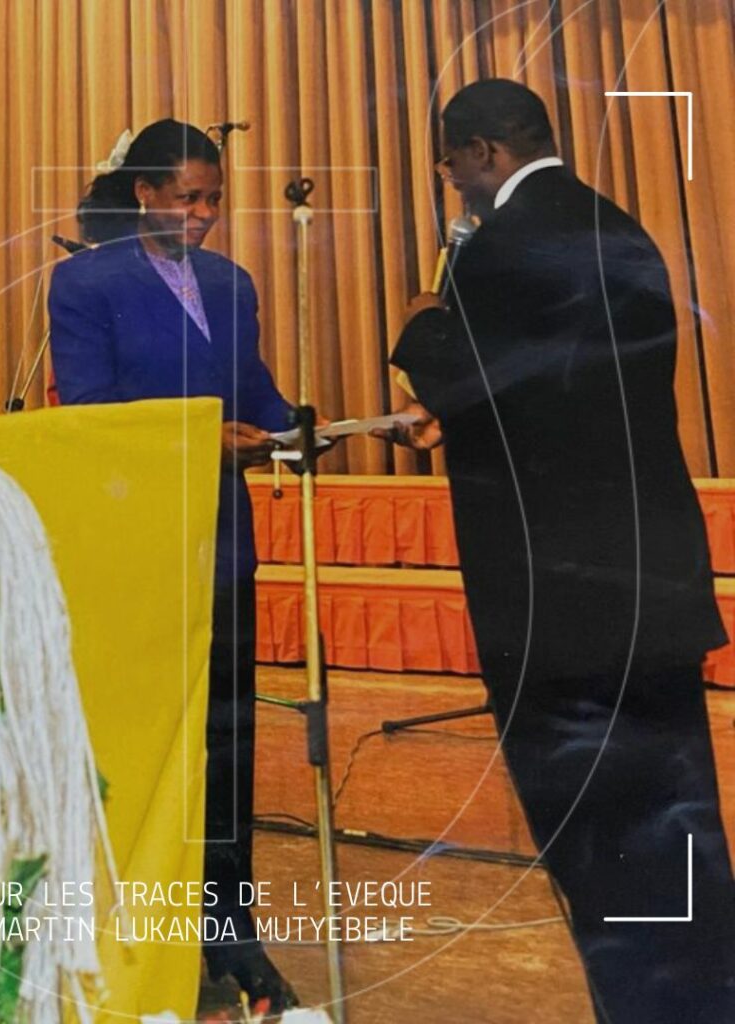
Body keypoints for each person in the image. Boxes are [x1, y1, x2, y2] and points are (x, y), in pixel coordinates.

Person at [378, 79, 735, 1022]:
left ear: (484, 153)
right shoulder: (622, 229)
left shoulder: (497, 252)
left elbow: (465, 370)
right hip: (651, 589)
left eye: (453, 167)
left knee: (598, 852)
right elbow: (559, 397)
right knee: (679, 837)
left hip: (556, 611)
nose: (456, 185)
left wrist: (419, 321)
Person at [48, 119, 298, 1012]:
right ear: (144, 193)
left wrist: (306, 429)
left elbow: (255, 390)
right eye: (186, 196)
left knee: (228, 746)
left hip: (221, 544)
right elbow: (91, 411)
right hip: (139, 541)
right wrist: (201, 438)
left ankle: (230, 930)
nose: (202, 214)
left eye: (214, 198)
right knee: (151, 747)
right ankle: (139, 935)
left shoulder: (233, 283)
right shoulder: (84, 281)